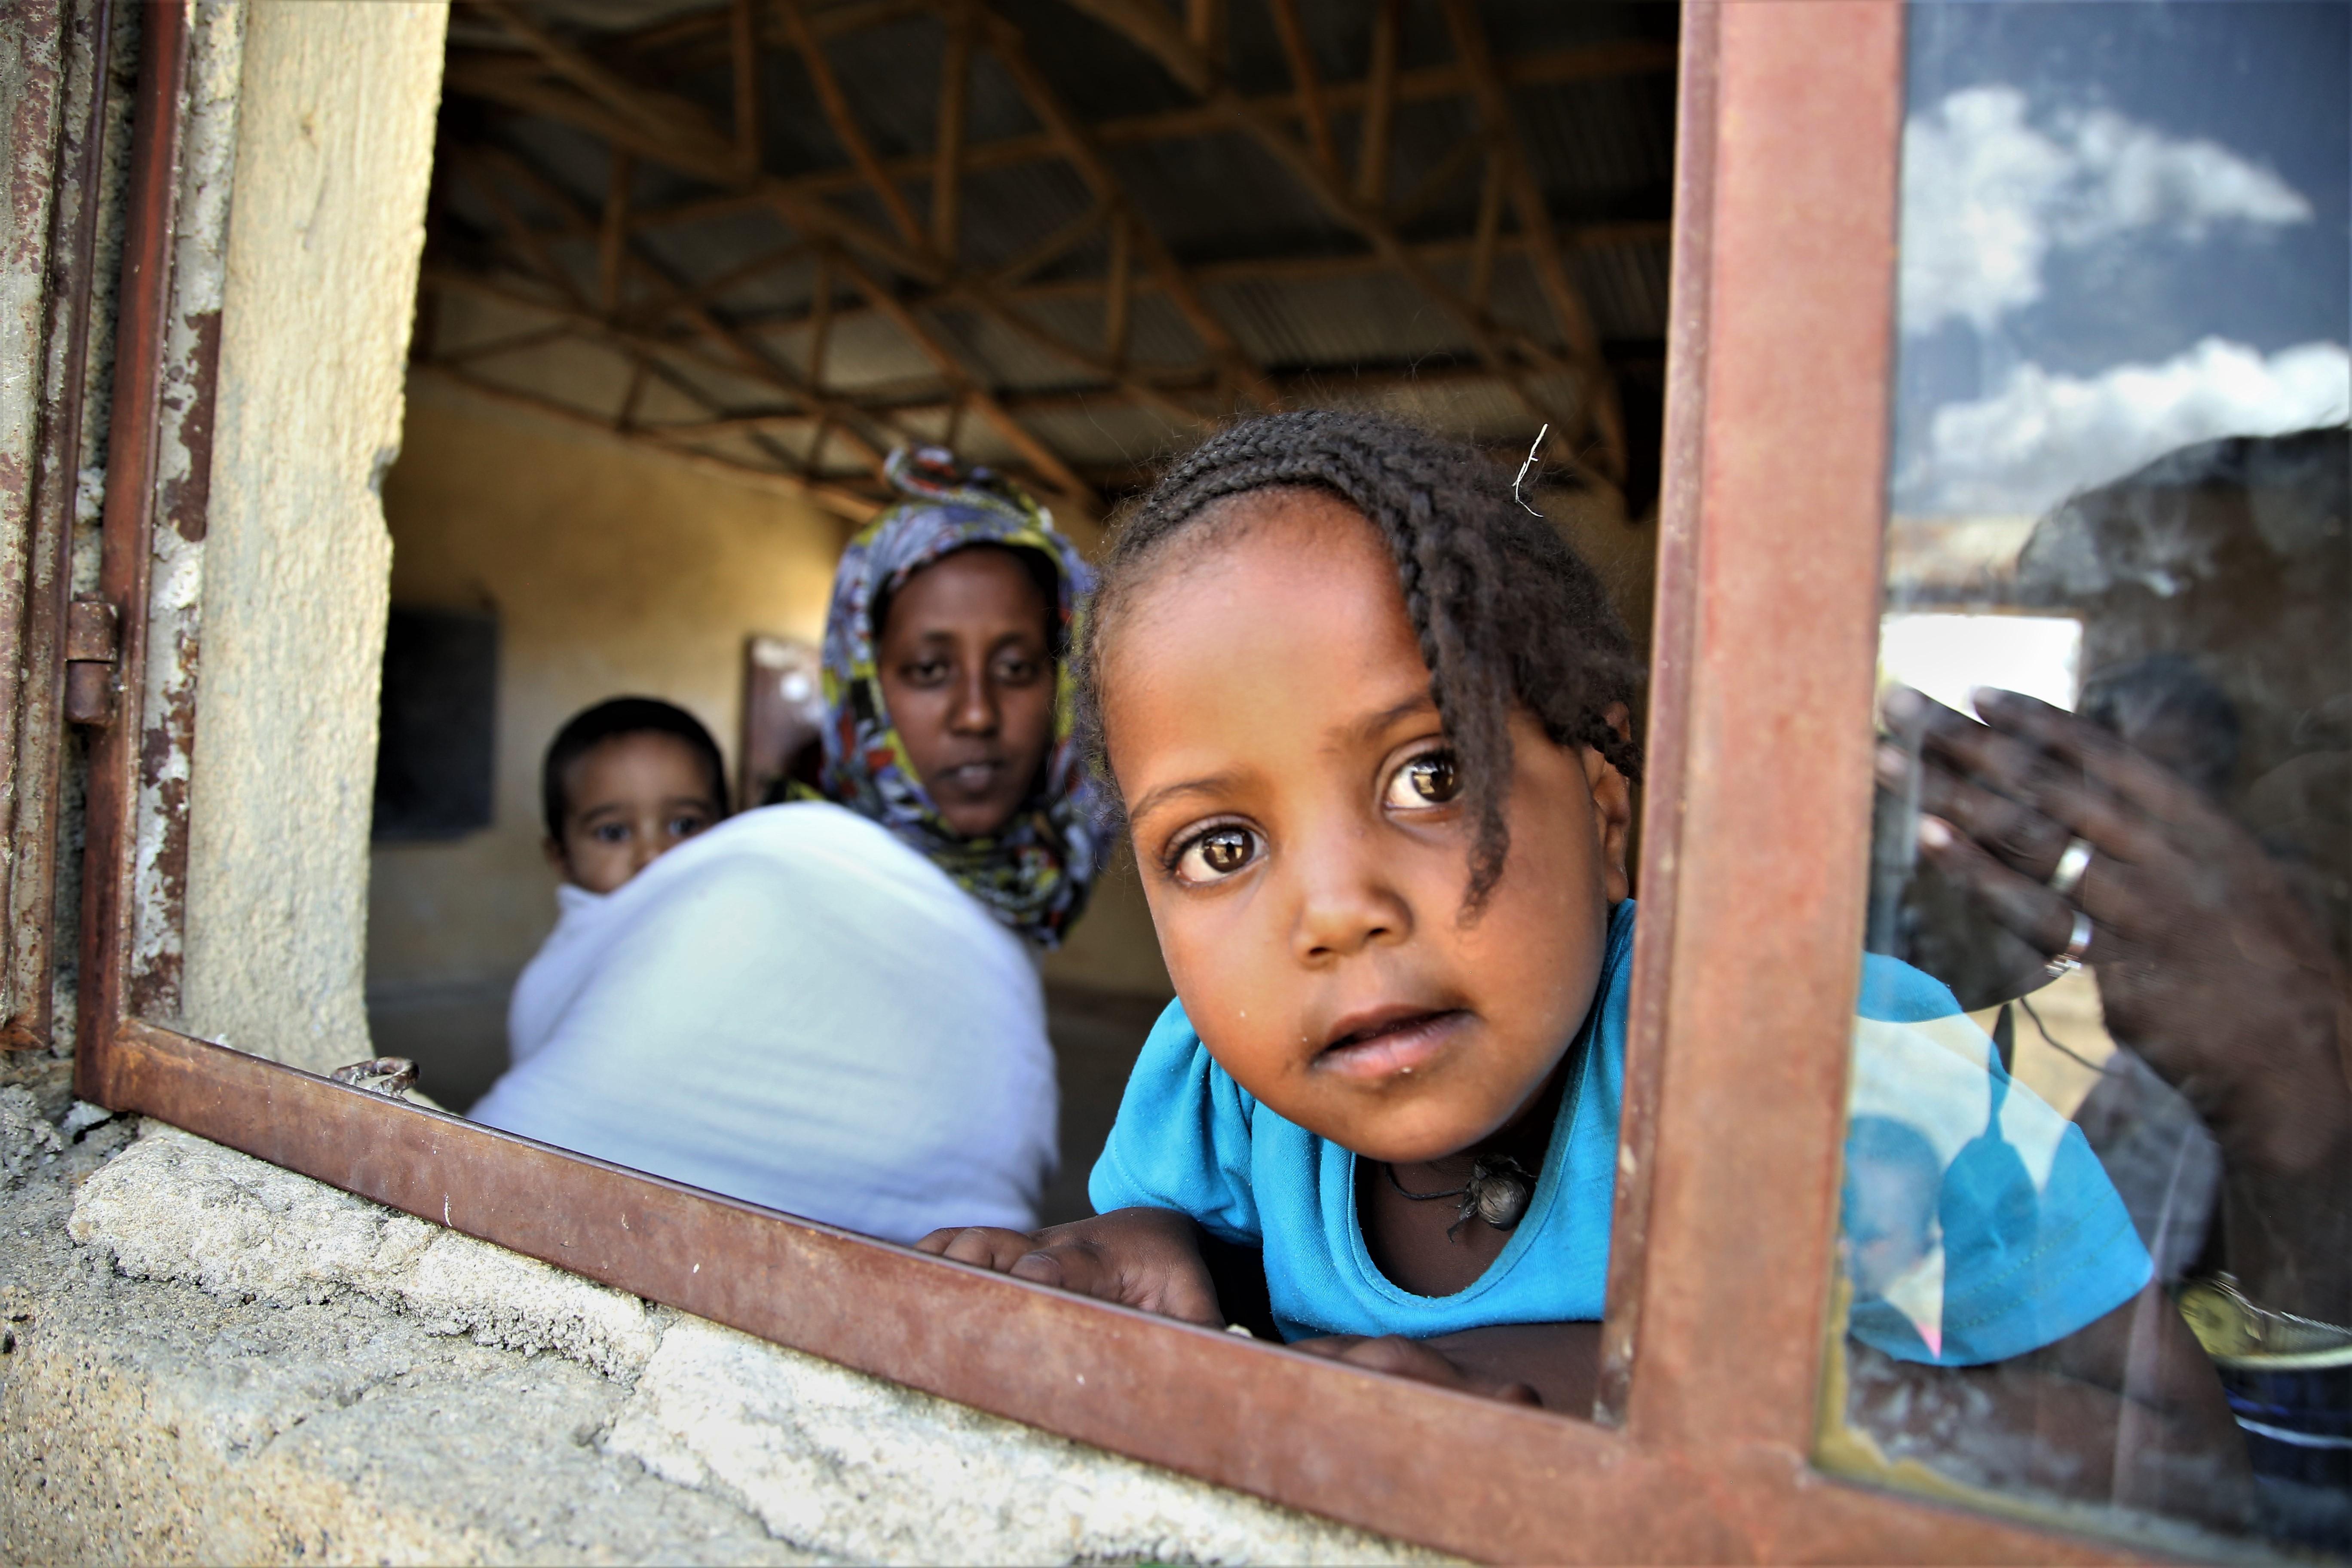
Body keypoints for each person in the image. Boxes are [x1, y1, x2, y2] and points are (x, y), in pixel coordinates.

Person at [919, 411, 2245, 1520]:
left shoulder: (1835, 1064)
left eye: (1430, 775)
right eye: (1218, 847)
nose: (1335, 912)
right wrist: (1138, 1259)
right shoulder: (1218, 1091)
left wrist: (1602, 1385)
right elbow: (1187, 1242)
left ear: (1607, 810)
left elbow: (2177, 1460)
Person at [471, 448, 1100, 1242]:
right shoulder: (767, 876)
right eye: (930, 669)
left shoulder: (1037, 880)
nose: (976, 712)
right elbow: (535, 1146)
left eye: (1016, 667)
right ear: (863, 679)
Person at [507, 698, 730, 1069]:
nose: (652, 855)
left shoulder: (740, 929)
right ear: (561, 857)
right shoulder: (555, 982)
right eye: (614, 832)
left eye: (685, 825)